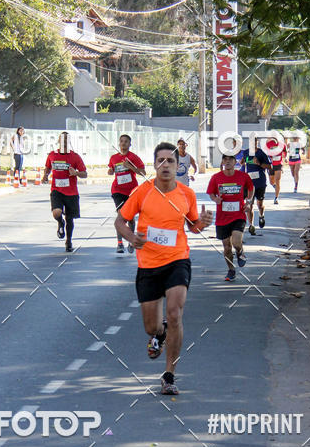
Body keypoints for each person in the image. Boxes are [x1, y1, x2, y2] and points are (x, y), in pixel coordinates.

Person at [115, 142, 212, 395]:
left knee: (175, 313)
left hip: (177, 259)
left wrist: (203, 223)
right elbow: (120, 221)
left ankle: (169, 375)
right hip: (148, 264)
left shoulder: (186, 194)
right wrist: (131, 237)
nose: (165, 165)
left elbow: (193, 226)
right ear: (154, 165)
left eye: (171, 161)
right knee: (151, 326)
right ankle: (159, 333)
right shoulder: (142, 191)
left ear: (178, 166)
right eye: (161, 160)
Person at [207, 154, 253, 281]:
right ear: (222, 162)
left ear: (235, 162)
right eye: (225, 159)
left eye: (230, 159)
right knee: (227, 247)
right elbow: (211, 193)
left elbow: (251, 188)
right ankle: (231, 270)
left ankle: (240, 251)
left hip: (238, 215)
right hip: (222, 218)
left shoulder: (243, 176)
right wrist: (215, 199)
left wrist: (248, 202)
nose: (227, 162)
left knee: (236, 242)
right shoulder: (216, 177)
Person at [42, 131, 87, 252]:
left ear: (69, 141)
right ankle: (60, 222)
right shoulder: (52, 155)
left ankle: (69, 241)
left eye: (66, 139)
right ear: (58, 141)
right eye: (62, 139)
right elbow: (47, 167)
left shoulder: (75, 156)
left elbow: (85, 174)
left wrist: (76, 173)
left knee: (69, 219)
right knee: (56, 213)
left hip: (71, 192)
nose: (64, 142)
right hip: (56, 190)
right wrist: (45, 175)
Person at [108, 134, 145, 253]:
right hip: (117, 190)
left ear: (130, 144)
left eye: (126, 141)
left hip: (132, 191)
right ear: (119, 143)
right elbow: (110, 170)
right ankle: (119, 243)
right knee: (121, 216)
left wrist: (130, 166)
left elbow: (143, 172)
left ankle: (131, 240)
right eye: (122, 141)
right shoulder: (114, 158)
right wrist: (110, 171)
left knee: (131, 218)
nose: (123, 143)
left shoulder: (133, 157)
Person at [245, 148, 270, 234]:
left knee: (260, 205)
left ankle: (261, 216)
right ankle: (251, 225)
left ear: (257, 142)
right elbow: (242, 163)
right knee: (249, 205)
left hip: (260, 183)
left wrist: (259, 163)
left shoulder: (261, 153)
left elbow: (270, 166)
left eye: (255, 141)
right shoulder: (246, 152)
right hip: (249, 184)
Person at [265, 136, 286, 203]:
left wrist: (284, 156)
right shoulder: (268, 144)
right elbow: (266, 153)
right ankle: (276, 187)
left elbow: (285, 153)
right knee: (271, 181)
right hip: (271, 165)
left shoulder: (282, 145)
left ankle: (276, 198)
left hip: (278, 164)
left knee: (277, 180)